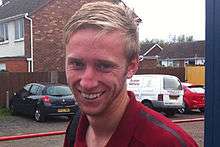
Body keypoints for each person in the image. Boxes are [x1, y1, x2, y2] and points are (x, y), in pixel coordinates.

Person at [63, 1, 198, 147]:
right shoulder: (76, 127)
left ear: (131, 67)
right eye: (77, 64)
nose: (87, 83)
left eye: (104, 66)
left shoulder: (168, 143)